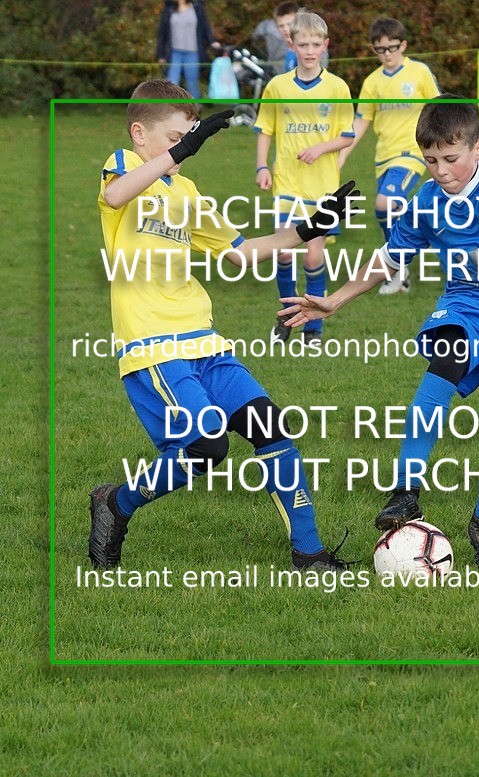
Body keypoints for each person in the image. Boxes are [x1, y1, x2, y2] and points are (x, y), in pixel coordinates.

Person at [281, 97, 479, 566]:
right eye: (430, 160)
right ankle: (405, 491)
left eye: (451, 159)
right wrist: (334, 300)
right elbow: (388, 259)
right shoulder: (427, 203)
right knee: (446, 358)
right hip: (465, 307)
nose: (441, 170)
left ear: (478, 149)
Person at [90, 78, 358, 572]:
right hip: (153, 346)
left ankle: (309, 552)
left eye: (187, 139)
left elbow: (240, 253)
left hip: (204, 340)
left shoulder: (186, 191)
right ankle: (115, 505)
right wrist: (181, 150)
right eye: (175, 139)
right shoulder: (124, 168)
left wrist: (308, 229)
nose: (184, 149)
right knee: (206, 444)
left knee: (272, 427)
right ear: (139, 133)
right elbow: (115, 196)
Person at [253, 10, 355, 345]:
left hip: (323, 186)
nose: (309, 50)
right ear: (291, 44)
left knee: (313, 255)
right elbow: (265, 129)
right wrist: (262, 166)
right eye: (303, 44)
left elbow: (346, 136)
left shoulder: (337, 88)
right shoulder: (277, 87)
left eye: (315, 44)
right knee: (283, 252)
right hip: (287, 184)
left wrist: (320, 148)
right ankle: (285, 318)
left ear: (325, 45)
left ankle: (314, 327)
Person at [339, 17, 440, 296]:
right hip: (384, 157)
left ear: (403, 45)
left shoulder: (419, 72)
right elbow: (361, 122)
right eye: (380, 50)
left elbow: (438, 107)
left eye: (392, 48)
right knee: (387, 211)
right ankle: (402, 258)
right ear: (373, 50)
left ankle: (396, 266)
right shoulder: (372, 82)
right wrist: (342, 155)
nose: (387, 54)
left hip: (413, 153)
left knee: (386, 204)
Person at [156, 0, 221, 98]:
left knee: (192, 83)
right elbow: (162, 34)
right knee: (172, 82)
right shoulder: (168, 10)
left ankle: (195, 108)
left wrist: (212, 42)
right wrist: (161, 55)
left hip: (192, 52)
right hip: (174, 53)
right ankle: (170, 109)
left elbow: (205, 27)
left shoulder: (197, 8)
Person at [251, 2, 327, 74]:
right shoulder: (286, 47)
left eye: (289, 24)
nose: (285, 29)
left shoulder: (314, 45)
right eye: (281, 26)